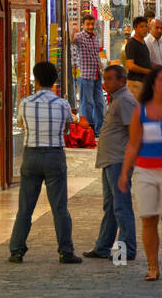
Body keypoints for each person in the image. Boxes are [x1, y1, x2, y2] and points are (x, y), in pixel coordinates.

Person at [117, 65, 162, 281]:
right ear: (153, 84)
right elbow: (133, 144)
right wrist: (124, 172)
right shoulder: (142, 110)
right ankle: (153, 266)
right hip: (145, 171)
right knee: (148, 218)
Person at [9, 61, 81, 263]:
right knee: (59, 206)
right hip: (54, 156)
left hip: (31, 155)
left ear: (37, 80)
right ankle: (65, 251)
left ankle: (16, 249)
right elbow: (67, 129)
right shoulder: (63, 104)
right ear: (55, 81)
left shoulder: (25, 102)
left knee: (25, 206)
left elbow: (22, 125)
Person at [83, 64, 140, 262]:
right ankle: (103, 246)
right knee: (111, 206)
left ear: (122, 81)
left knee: (121, 205)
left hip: (118, 160)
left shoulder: (125, 100)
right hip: (110, 159)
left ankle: (127, 248)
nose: (105, 82)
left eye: (109, 79)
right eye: (104, 78)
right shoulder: (117, 99)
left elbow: (134, 132)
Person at [72, 14, 105, 131]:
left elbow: (96, 56)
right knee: (87, 103)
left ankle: (99, 129)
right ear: (83, 25)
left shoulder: (95, 38)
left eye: (92, 24)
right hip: (85, 75)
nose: (91, 27)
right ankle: (88, 129)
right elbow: (72, 39)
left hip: (96, 74)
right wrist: (73, 29)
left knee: (99, 103)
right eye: (88, 24)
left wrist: (101, 69)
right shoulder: (80, 36)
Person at [123, 16, 154, 98]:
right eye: (141, 27)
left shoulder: (143, 43)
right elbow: (130, 65)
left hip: (144, 83)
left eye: (146, 26)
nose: (145, 29)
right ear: (135, 28)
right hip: (135, 83)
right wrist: (147, 71)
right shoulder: (132, 44)